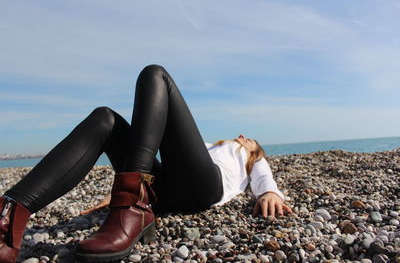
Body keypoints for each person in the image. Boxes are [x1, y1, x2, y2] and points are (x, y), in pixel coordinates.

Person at [0, 65, 293, 263]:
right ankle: (11, 214)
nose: (243, 137)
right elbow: (156, 146)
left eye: (250, 139)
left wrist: (270, 193)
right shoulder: (209, 145)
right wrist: (115, 192)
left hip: (204, 186)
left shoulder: (250, 157)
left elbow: (263, 177)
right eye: (242, 137)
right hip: (162, 187)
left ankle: (131, 207)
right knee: (106, 119)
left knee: (156, 74)